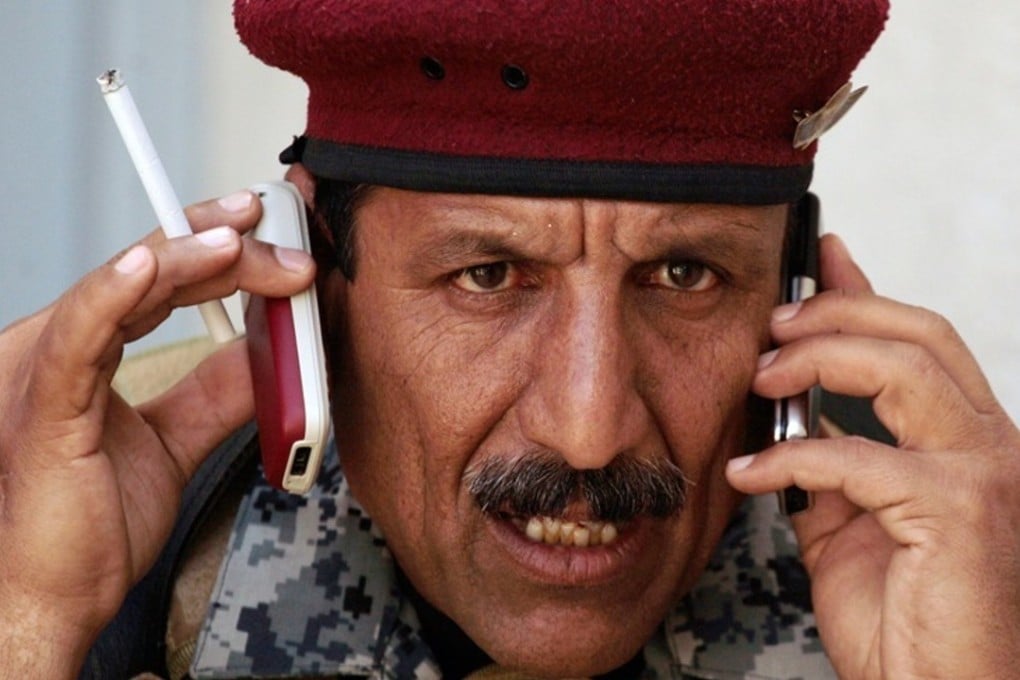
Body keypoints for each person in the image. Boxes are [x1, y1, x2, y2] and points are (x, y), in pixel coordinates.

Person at [2, 1, 1018, 678]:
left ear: (794, 292)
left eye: (684, 275)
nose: (589, 430)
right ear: (307, 279)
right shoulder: (83, 519)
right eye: (487, 276)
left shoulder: (951, 565)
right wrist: (35, 619)